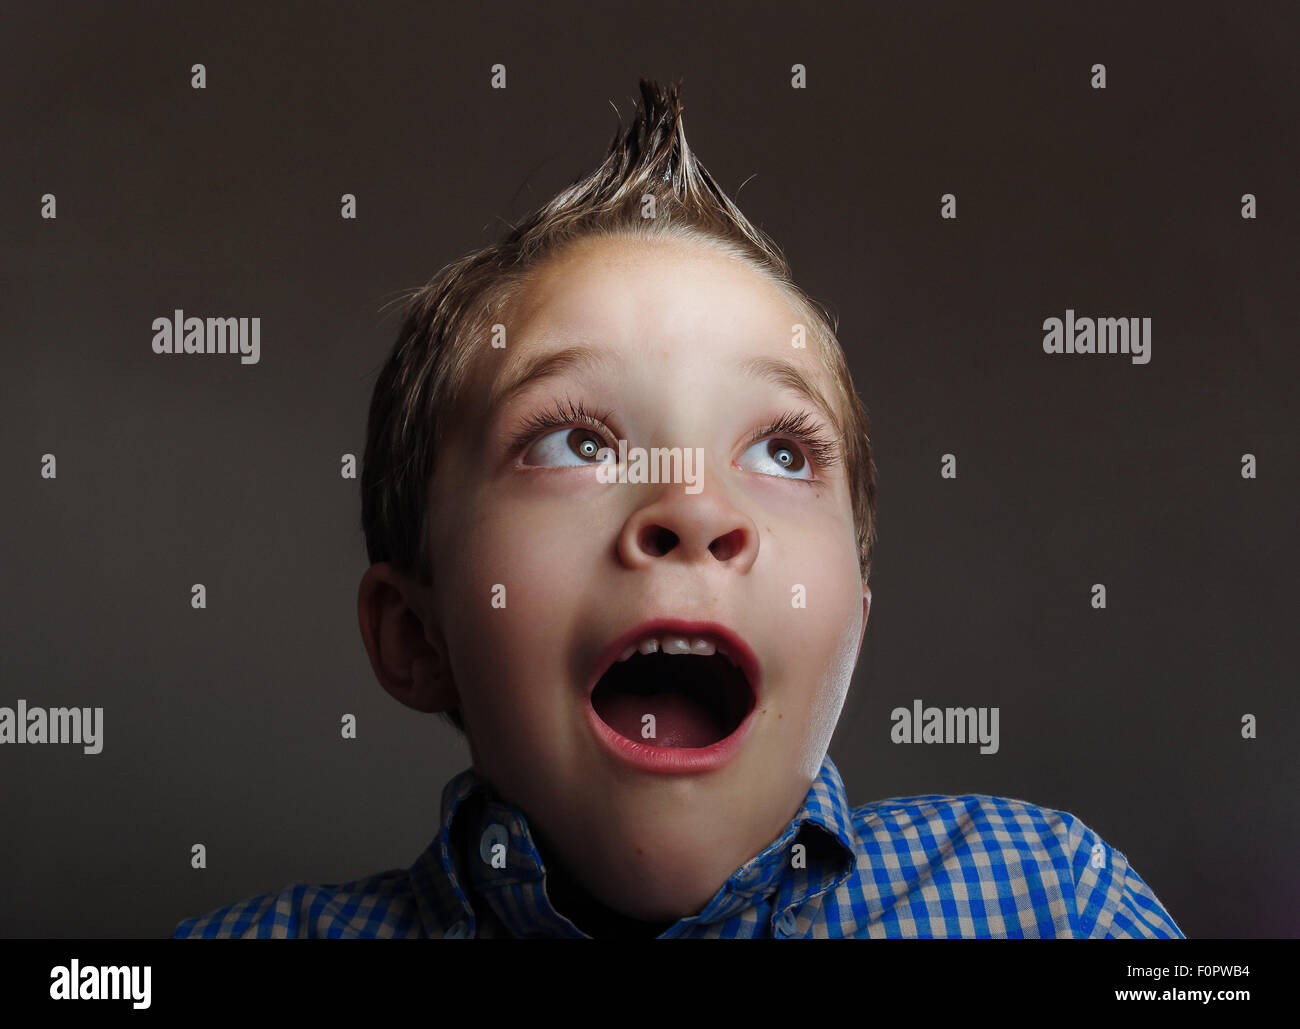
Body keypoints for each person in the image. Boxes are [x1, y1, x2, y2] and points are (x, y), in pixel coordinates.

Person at [174, 78, 1182, 939]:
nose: (693, 507)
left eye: (781, 452)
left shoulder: (1051, 902)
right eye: (575, 441)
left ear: (851, 629)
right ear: (415, 634)